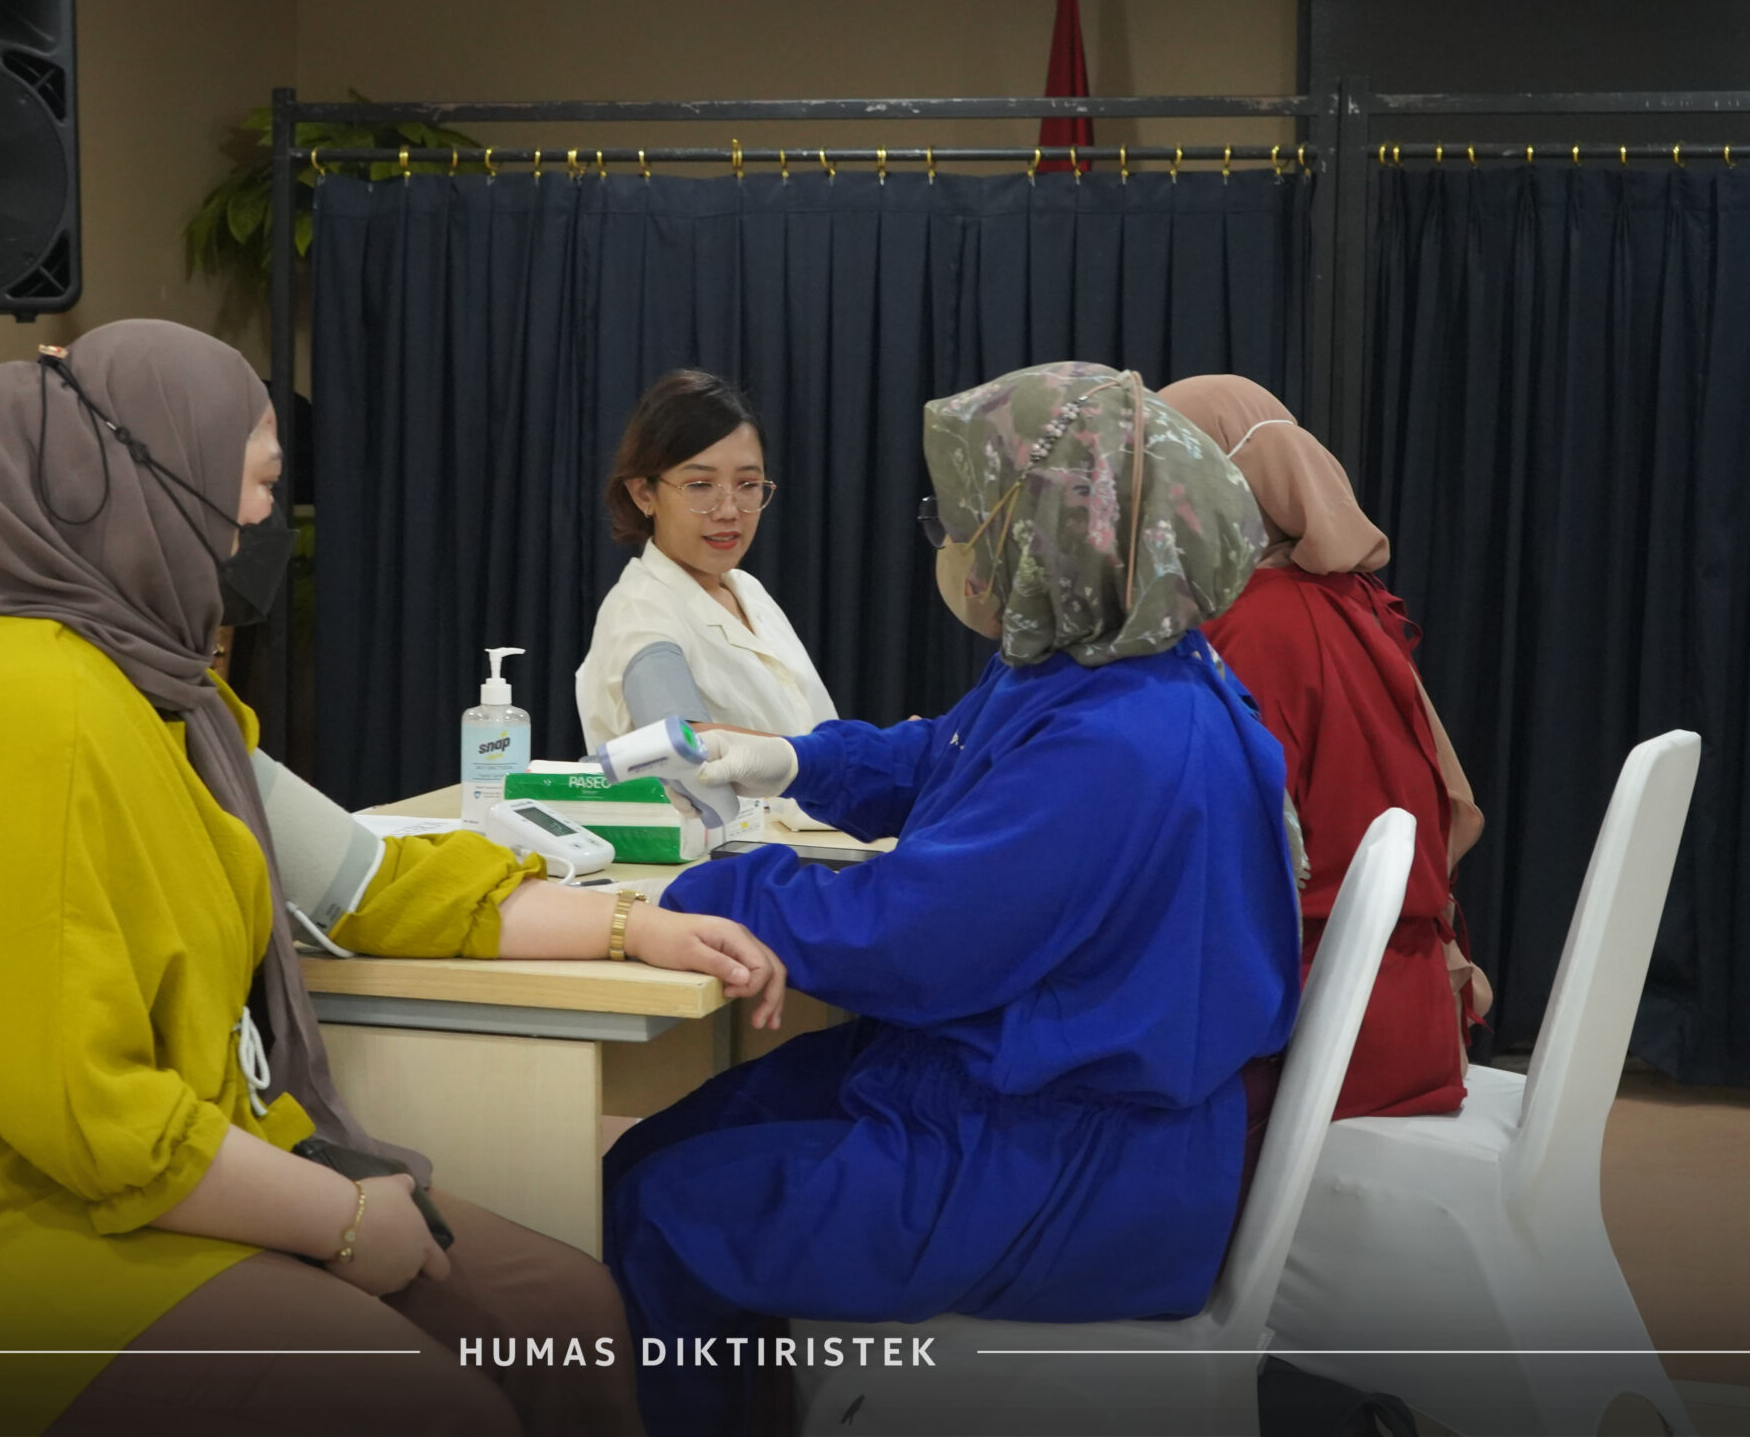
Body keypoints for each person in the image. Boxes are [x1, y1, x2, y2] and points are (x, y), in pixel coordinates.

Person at [0, 320, 785, 1437]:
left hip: (140, 1170)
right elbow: (82, 1112)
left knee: (567, 1316)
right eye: (255, 483)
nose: (264, 521)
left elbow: (368, 882)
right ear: (156, 486)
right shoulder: (27, 712)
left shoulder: (169, 699)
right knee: (429, 1405)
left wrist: (633, 924)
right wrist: (338, 1217)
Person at [600, 363, 1305, 1437]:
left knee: (662, 1211)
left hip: (1060, 1170)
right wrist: (798, 760)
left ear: (1040, 532)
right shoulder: (1115, 663)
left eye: (962, 520)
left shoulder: (1114, 742)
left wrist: (704, 889)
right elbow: (948, 754)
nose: (951, 544)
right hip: (1026, 1093)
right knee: (650, 1153)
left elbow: (907, 937)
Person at [1158, 374, 1491, 1120]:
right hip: (1394, 1009)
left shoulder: (1252, 627)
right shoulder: (1345, 596)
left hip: (1320, 1035)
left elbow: (1211, 861)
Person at [574, 371, 834, 764]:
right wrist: (842, 757)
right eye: (699, 485)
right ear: (644, 493)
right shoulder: (641, 613)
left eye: (748, 485)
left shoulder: (747, 591)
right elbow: (682, 745)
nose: (729, 510)